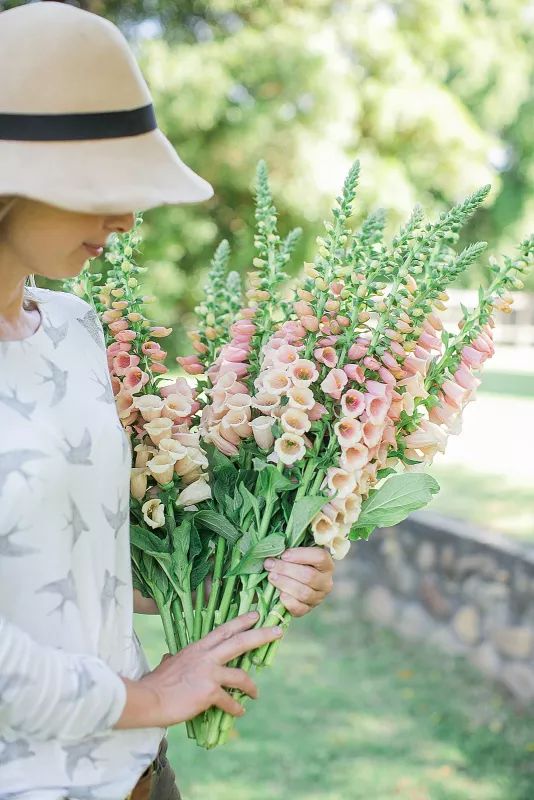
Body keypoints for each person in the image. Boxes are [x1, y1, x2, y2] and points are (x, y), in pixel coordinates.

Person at [0, 4, 335, 798]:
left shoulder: (74, 327)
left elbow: (79, 563)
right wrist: (151, 694)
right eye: (101, 188)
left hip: (139, 776)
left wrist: (252, 578)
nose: (126, 217)